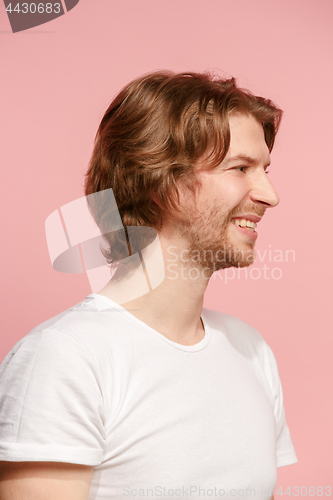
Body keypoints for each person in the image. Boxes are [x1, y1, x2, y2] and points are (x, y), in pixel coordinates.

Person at [0, 71, 297, 499]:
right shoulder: (64, 358)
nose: (270, 195)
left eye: (265, 169)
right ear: (162, 181)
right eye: (240, 168)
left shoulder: (251, 350)